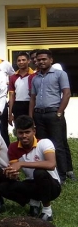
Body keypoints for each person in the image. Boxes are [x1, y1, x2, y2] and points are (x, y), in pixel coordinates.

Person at [0, 116, 61, 221]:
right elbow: (15, 169)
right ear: (16, 133)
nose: (24, 136)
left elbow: (51, 164)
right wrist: (11, 173)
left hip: (52, 185)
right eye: (20, 133)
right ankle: (34, 201)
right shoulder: (13, 147)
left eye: (27, 132)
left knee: (40, 173)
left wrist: (22, 164)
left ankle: (47, 211)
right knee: (3, 187)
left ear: (34, 131)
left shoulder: (44, 143)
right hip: (32, 183)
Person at [29, 49, 72, 183]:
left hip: (54, 114)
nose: (41, 62)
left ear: (51, 60)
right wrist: (31, 117)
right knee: (42, 144)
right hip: (39, 115)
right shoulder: (35, 78)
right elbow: (32, 98)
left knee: (58, 145)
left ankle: (62, 175)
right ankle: (47, 172)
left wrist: (59, 112)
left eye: (44, 59)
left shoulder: (60, 74)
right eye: (39, 59)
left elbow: (67, 94)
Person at [7, 52, 34, 125]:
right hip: (18, 105)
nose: (21, 62)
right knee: (19, 128)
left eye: (23, 60)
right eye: (19, 60)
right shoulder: (13, 77)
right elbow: (11, 96)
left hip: (31, 104)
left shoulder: (34, 75)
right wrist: (10, 114)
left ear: (28, 61)